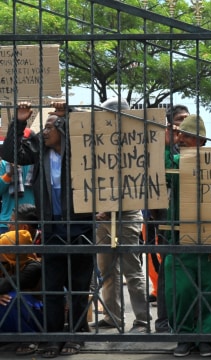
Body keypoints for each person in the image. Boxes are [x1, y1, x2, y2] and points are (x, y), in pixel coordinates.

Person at [3, 101, 95, 358]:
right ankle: (53, 338)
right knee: (53, 287)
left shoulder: (78, 149)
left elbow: (84, 130)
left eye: (50, 126)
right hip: (52, 227)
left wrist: (68, 114)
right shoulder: (38, 148)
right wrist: (20, 121)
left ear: (64, 129)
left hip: (80, 227)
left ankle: (76, 335)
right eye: (43, 126)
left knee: (78, 287)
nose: (45, 131)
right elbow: (10, 154)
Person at [163, 114, 211, 357]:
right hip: (180, 237)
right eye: (179, 135)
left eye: (187, 136)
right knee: (180, 291)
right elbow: (163, 173)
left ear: (201, 141)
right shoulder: (177, 161)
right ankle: (184, 336)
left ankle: (207, 337)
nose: (181, 140)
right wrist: (167, 144)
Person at [93, 98, 150, 333]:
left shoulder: (136, 142)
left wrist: (112, 207)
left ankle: (143, 320)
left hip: (127, 214)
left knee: (132, 270)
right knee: (106, 270)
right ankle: (112, 316)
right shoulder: (97, 141)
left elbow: (137, 182)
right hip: (101, 216)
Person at [151, 104, 190, 334]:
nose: (182, 124)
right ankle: (164, 320)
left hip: (193, 217)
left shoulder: (194, 144)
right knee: (168, 270)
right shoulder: (163, 147)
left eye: (186, 119)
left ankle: (188, 320)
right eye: (178, 119)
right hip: (168, 216)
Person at [0, 204, 42, 356]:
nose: (8, 226)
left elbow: (12, 283)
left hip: (38, 303)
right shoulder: (8, 248)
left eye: (11, 222)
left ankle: (30, 336)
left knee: (11, 299)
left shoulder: (34, 261)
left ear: (23, 227)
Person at [0, 131, 35, 234]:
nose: (22, 146)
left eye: (25, 142)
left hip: (32, 222)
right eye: (19, 142)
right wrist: (8, 175)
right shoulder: (4, 164)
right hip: (7, 222)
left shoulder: (37, 163)